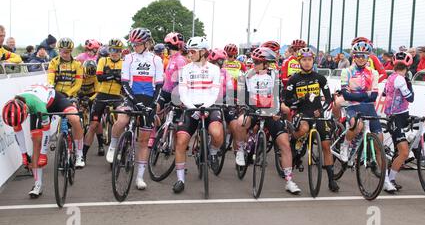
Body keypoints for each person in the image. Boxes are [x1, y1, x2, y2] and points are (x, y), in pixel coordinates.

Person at [233, 45, 302, 195]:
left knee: (284, 144)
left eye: (258, 63)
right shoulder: (247, 75)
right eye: (254, 62)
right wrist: (246, 110)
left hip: (270, 112)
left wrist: (276, 111)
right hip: (253, 110)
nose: (254, 65)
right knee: (240, 122)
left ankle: (289, 181)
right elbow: (243, 97)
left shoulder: (274, 75)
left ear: (266, 64)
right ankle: (240, 149)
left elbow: (277, 96)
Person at [2, 84, 85, 197]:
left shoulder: (37, 105)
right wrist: (24, 154)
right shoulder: (13, 110)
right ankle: (38, 185)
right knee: (36, 141)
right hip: (36, 109)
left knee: (74, 118)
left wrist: (43, 154)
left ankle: (80, 154)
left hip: (54, 101)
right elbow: (18, 132)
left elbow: (46, 131)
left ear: (25, 111)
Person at [106, 28, 163, 191]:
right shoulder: (129, 58)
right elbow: (125, 83)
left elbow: (159, 85)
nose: (135, 47)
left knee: (144, 141)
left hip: (149, 99)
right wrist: (135, 101)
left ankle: (139, 177)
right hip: (132, 97)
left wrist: (152, 105)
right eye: (133, 44)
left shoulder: (156, 60)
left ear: (146, 43)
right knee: (122, 120)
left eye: (137, 44)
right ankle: (113, 145)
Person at [283, 47, 339, 192]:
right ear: (299, 61)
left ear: (313, 61)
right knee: (303, 129)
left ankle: (331, 179)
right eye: (304, 60)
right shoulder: (294, 79)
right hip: (302, 113)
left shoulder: (320, 78)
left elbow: (328, 98)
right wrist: (301, 99)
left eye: (309, 60)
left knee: (326, 145)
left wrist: (320, 110)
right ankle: (294, 143)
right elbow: (288, 101)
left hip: (317, 114)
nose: (307, 63)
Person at [337, 39, 390, 191]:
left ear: (368, 57)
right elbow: (346, 95)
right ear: (354, 56)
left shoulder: (373, 73)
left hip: (369, 107)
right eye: (358, 55)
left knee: (379, 142)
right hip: (353, 107)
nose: (361, 58)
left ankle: (385, 179)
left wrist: (357, 95)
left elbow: (374, 96)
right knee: (358, 125)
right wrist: (362, 95)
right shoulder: (347, 71)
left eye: (364, 56)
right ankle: (345, 145)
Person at [172, 36, 223, 194]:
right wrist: (192, 107)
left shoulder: (214, 69)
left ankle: (213, 153)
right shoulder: (185, 70)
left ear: (203, 52)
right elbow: (183, 91)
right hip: (190, 107)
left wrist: (205, 107)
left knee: (216, 133)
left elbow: (215, 92)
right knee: (181, 141)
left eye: (193, 51)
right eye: (188, 51)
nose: (190, 54)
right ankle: (180, 179)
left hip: (210, 105)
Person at [83, 39, 124, 160]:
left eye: (117, 50)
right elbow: (100, 77)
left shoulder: (124, 63)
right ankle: (83, 155)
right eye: (111, 50)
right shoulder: (103, 60)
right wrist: (115, 76)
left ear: (121, 51)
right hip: (102, 94)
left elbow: (124, 80)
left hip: (117, 96)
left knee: (122, 123)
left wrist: (110, 76)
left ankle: (121, 150)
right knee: (94, 125)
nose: (114, 53)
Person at [382, 52, 415, 193]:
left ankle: (416, 146)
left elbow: (384, 93)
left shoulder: (391, 77)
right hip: (395, 117)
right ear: (408, 67)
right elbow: (411, 98)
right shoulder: (401, 79)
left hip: (402, 115)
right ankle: (390, 179)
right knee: (404, 152)